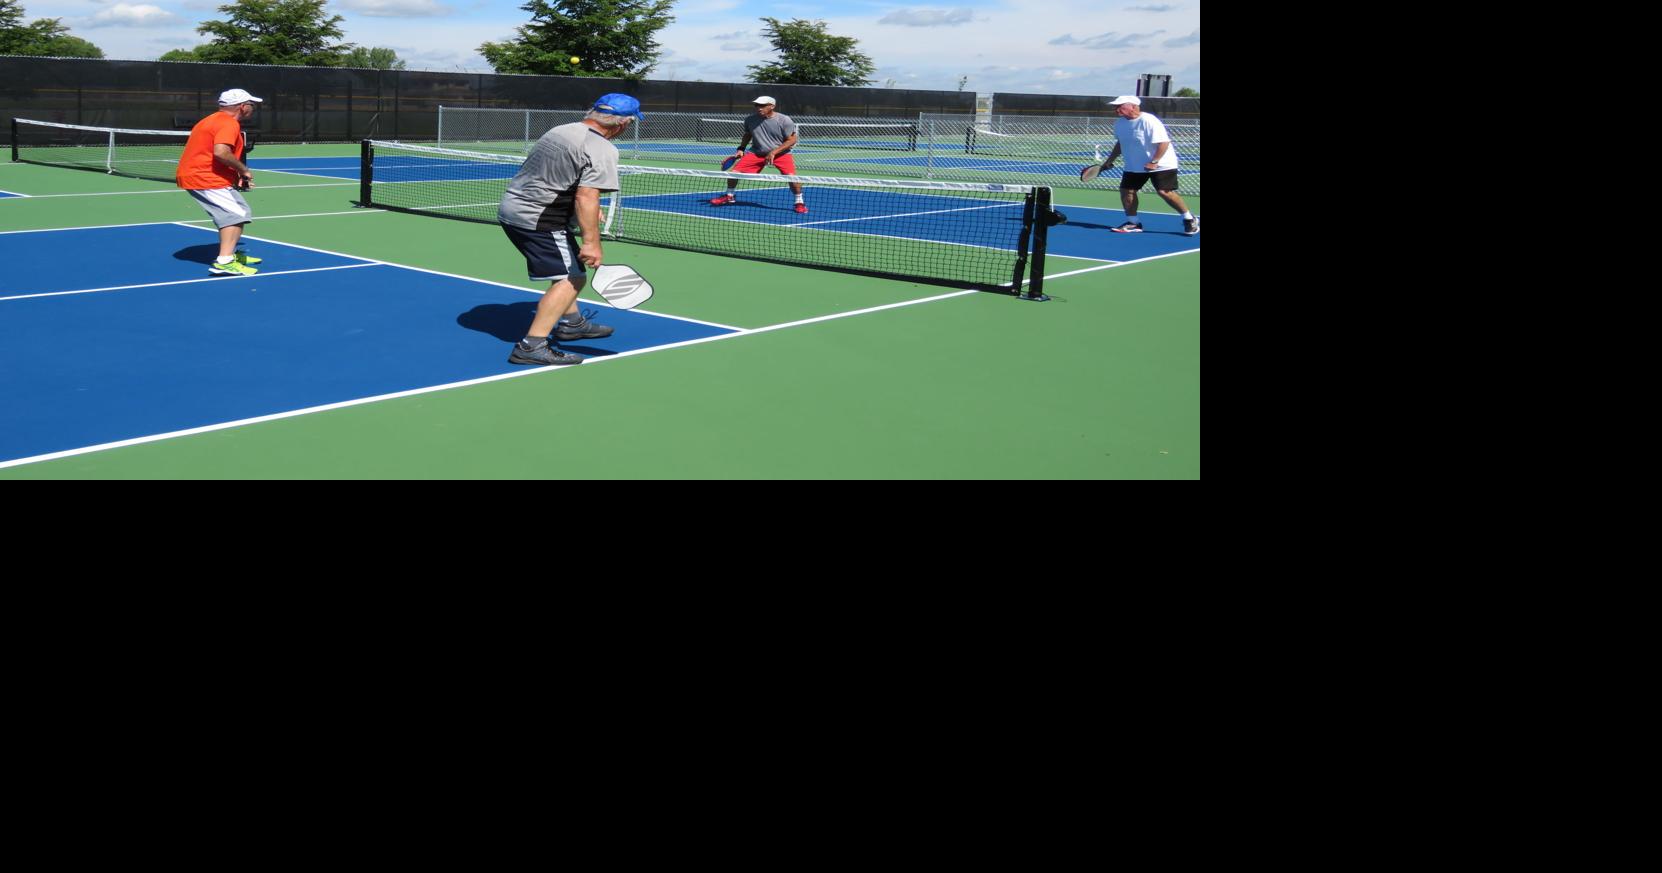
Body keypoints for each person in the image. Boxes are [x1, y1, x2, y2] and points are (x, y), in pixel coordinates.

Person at [500, 93, 642, 366]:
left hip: (513, 208)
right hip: (540, 218)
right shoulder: (602, 149)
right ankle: (532, 346)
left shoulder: (561, 130)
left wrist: (586, 209)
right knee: (571, 278)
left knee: (565, 268)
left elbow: (559, 174)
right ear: (623, 124)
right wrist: (592, 243)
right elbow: (586, 195)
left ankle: (572, 323)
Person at [176, 88, 264, 275]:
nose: (253, 108)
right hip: (204, 177)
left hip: (204, 175)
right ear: (242, 107)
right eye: (251, 104)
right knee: (236, 212)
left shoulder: (212, 120)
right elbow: (221, 152)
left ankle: (230, 254)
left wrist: (235, 176)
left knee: (236, 210)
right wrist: (244, 170)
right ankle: (225, 261)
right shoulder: (228, 124)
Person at [1098, 96, 1199, 235]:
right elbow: (1120, 143)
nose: (1116, 109)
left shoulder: (1148, 120)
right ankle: (1133, 223)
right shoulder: (1120, 123)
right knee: (1127, 191)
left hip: (1162, 163)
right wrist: (1109, 161)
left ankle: (1189, 219)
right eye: (1115, 106)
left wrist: (1154, 161)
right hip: (1134, 165)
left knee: (1164, 192)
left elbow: (1164, 143)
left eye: (1120, 106)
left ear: (1133, 106)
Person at [708, 96, 808, 214]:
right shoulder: (750, 119)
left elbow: (791, 140)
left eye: (762, 105)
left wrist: (773, 152)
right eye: (757, 105)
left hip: (781, 154)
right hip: (756, 152)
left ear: (772, 106)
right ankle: (730, 196)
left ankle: (799, 202)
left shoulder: (784, 120)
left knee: (791, 177)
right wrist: (741, 148)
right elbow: (748, 134)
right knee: (734, 173)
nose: (759, 108)